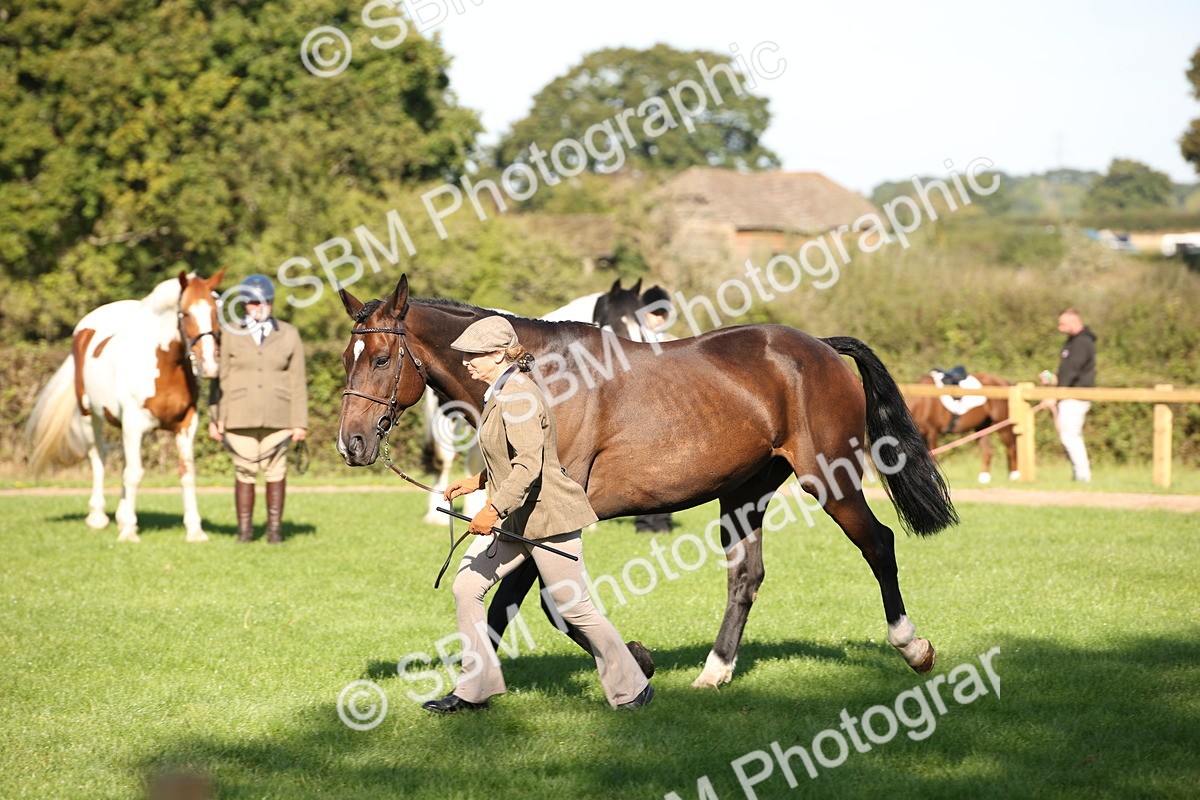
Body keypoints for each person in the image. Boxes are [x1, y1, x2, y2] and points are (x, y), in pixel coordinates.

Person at [426, 315, 653, 714]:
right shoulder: (498, 391)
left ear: (498, 354)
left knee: (574, 608)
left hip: (549, 517)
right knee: (466, 588)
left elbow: (530, 465)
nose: (465, 362)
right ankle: (474, 690)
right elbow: (512, 456)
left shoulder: (517, 396)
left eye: (474, 355)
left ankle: (632, 687)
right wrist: (476, 481)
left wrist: (492, 508)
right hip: (517, 516)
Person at [208, 274, 308, 543]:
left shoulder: (289, 333)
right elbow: (218, 379)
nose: (258, 306)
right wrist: (214, 416)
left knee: (277, 471)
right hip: (238, 415)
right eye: (253, 302)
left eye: (264, 301)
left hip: (280, 416)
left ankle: (274, 532)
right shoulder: (229, 332)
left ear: (272, 302)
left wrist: (300, 422)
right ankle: (245, 533)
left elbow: (297, 379)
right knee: (244, 471)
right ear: (244, 304)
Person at [634, 285, 675, 534]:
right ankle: (644, 522)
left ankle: (663, 521)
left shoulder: (672, 342)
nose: (658, 319)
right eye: (654, 313)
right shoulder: (629, 340)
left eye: (663, 314)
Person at [1041, 307, 1096, 482]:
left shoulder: (1082, 343)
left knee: (1070, 435)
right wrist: (1051, 378)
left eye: (1063, 324)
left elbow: (1072, 373)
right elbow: (1066, 374)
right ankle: (1078, 474)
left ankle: (1082, 475)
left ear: (1074, 322)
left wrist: (1054, 396)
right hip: (1067, 395)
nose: (1060, 328)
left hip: (1075, 397)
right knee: (1068, 435)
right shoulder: (1072, 342)